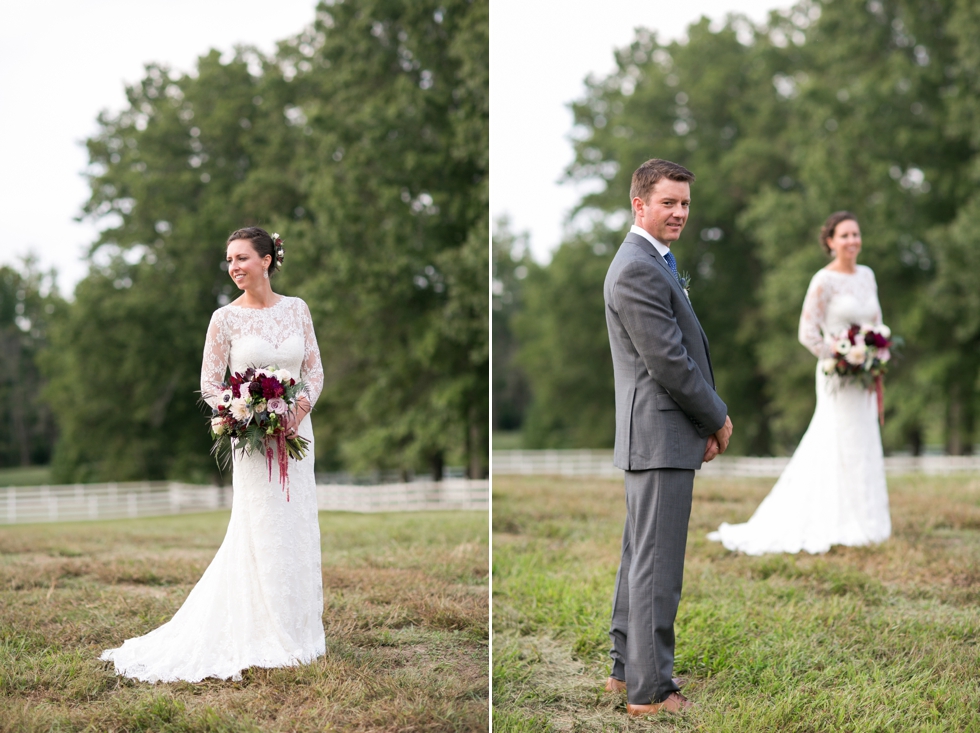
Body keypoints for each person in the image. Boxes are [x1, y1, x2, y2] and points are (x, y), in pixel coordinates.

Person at [101, 227, 326, 682]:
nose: (234, 267)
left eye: (242, 257)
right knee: (260, 529)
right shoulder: (224, 319)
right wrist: (249, 413)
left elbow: (314, 370)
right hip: (252, 442)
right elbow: (209, 384)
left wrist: (295, 411)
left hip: (296, 437)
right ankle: (262, 628)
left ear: (267, 259)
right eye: (229, 260)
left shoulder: (297, 310)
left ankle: (301, 631)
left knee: (298, 525)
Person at [602, 159, 732, 716]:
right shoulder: (636, 267)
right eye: (668, 203)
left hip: (658, 432)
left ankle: (621, 671)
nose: (679, 212)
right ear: (640, 205)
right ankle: (650, 692)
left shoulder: (653, 261)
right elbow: (670, 364)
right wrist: (716, 417)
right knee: (657, 564)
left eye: (684, 203)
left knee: (641, 555)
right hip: (659, 431)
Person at [708, 211, 891, 555]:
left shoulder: (867, 276)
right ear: (830, 242)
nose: (853, 240)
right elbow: (807, 333)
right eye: (845, 235)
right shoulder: (823, 281)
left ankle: (869, 520)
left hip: (863, 380)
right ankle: (830, 516)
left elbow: (877, 324)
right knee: (835, 441)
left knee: (864, 442)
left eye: (856, 234)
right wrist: (839, 357)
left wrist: (874, 355)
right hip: (836, 377)